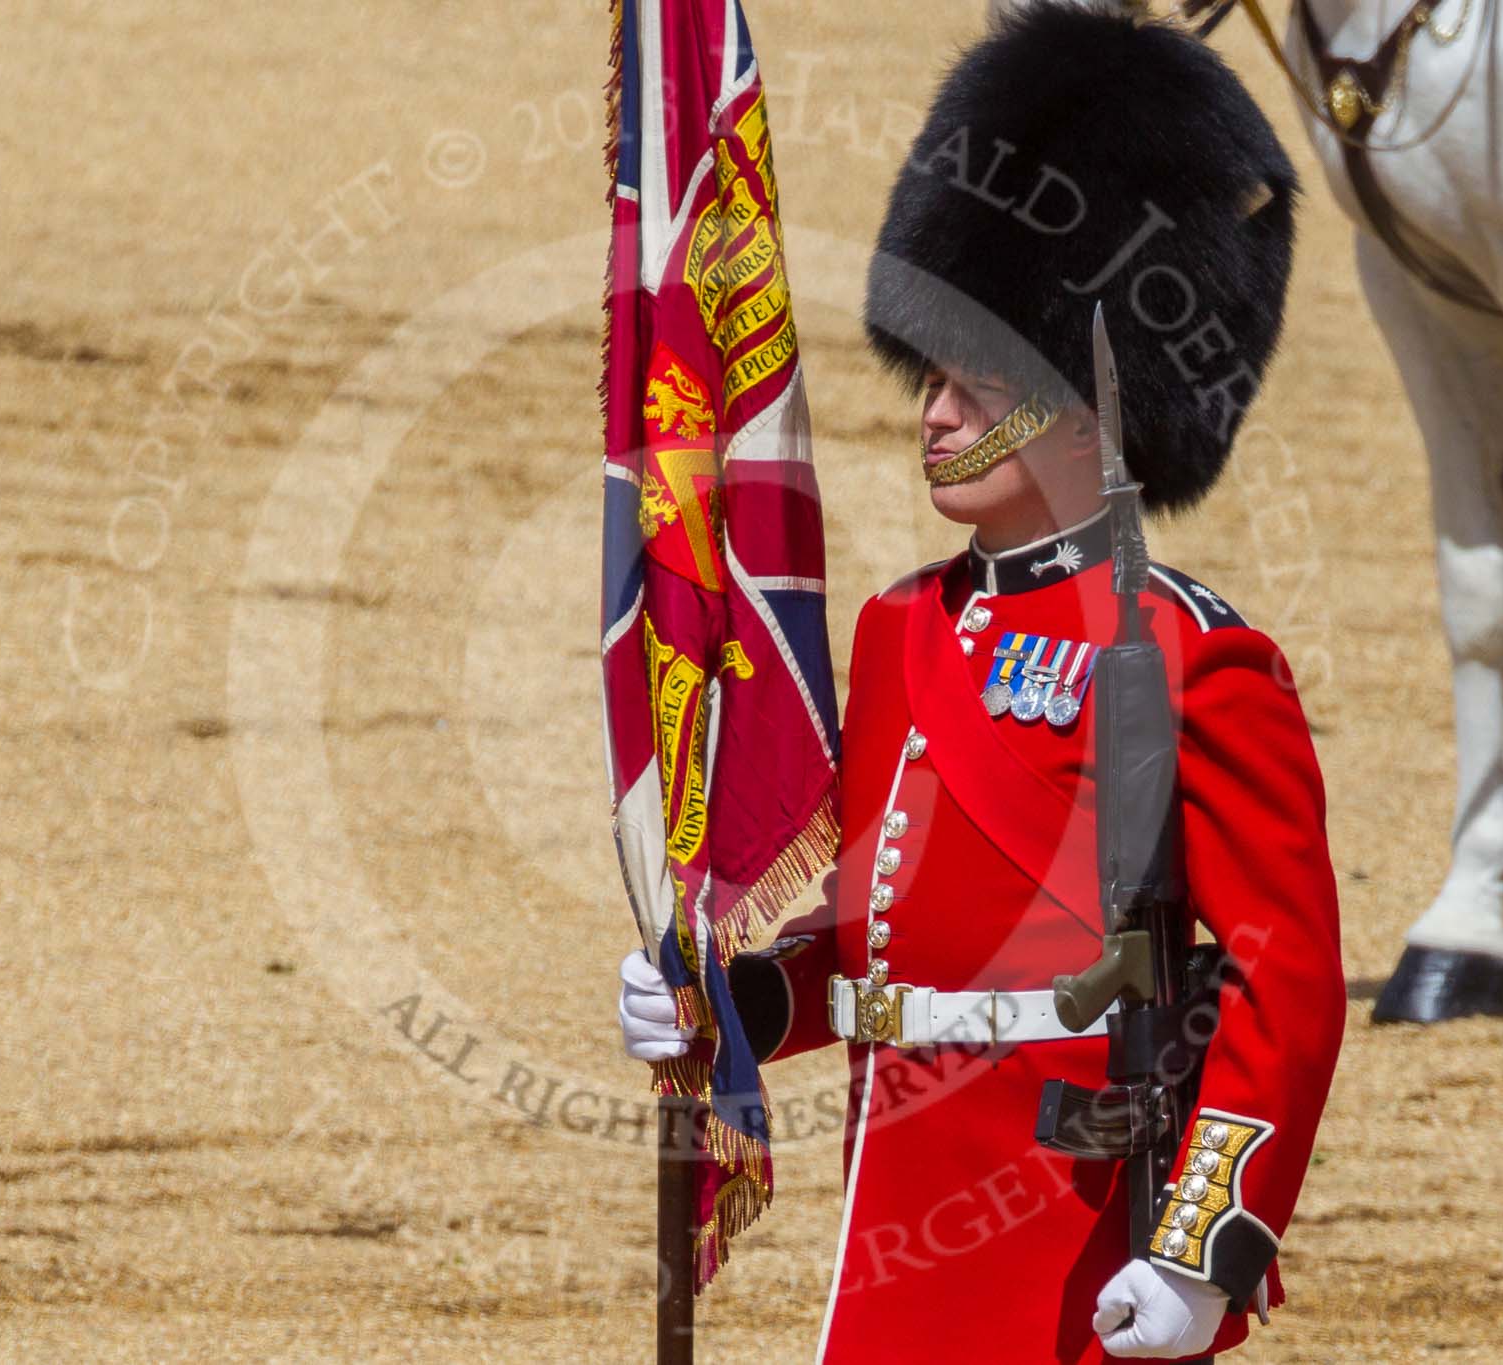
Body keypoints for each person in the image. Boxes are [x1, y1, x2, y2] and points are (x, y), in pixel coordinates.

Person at [618, 5, 1344, 1359]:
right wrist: (727, 1001)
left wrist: (1203, 1249)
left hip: (1076, 1207)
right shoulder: (903, 630)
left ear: (1082, 390)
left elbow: (1277, 982)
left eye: (975, 378)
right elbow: (873, 931)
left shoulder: (1199, 654)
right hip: (899, 1191)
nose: (933, 414)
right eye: (929, 377)